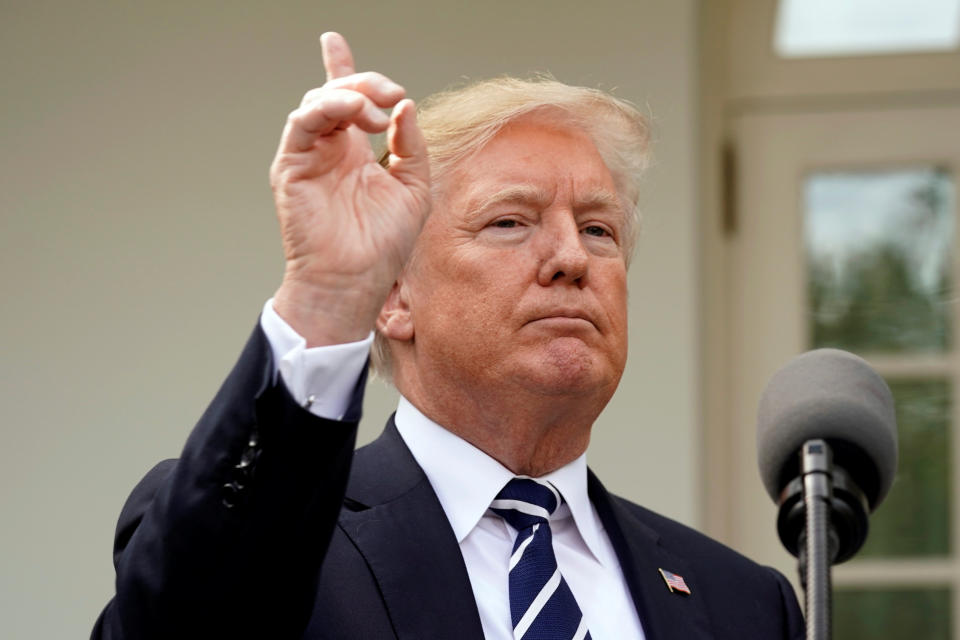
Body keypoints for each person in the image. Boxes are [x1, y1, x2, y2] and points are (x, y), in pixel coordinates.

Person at [92, 32, 804, 640]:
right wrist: (330, 293)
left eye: (598, 229)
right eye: (509, 222)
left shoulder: (742, 602)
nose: (571, 257)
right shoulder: (269, 540)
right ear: (395, 295)